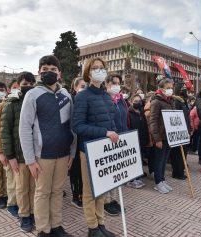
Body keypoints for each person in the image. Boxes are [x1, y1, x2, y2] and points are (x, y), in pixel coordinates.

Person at [19, 55, 76, 237]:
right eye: (45, 69)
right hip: (42, 155)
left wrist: (72, 153)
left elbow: (72, 126)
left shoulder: (66, 95)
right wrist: (30, 160)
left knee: (57, 191)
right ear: (39, 72)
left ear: (59, 73)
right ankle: (43, 229)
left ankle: (56, 226)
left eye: (53, 69)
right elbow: (24, 128)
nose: (49, 72)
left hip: (63, 154)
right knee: (43, 192)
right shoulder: (32, 94)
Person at [73, 56, 117, 237]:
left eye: (102, 67)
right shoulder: (83, 96)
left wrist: (115, 136)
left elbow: (111, 122)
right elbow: (77, 126)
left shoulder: (107, 96)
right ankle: (92, 227)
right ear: (88, 73)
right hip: (90, 150)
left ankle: (101, 223)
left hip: (105, 150)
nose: (99, 70)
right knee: (91, 191)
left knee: (103, 188)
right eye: (95, 68)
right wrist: (104, 133)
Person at [1, 71, 36, 232]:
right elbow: (5, 132)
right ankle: (24, 215)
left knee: (35, 187)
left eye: (31, 84)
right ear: (17, 85)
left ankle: (33, 213)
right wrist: (10, 156)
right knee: (22, 187)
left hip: (36, 154)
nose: (28, 87)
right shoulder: (11, 104)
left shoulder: (37, 101)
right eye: (24, 84)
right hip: (19, 155)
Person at [0, 79, 21, 217]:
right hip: (9, 150)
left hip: (23, 151)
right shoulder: (3, 106)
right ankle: (12, 204)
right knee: (12, 179)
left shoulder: (27, 103)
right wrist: (1, 152)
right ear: (9, 89)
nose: (18, 89)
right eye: (15, 87)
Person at [103, 73, 129, 216]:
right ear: (106, 84)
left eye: (118, 83)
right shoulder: (104, 99)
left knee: (117, 172)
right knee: (109, 172)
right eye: (113, 83)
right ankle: (106, 201)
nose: (116, 86)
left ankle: (113, 199)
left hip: (121, 140)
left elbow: (125, 120)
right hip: (109, 140)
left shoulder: (120, 101)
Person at [150, 79, 174, 193]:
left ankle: (162, 180)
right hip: (161, 136)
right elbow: (153, 121)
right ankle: (158, 182)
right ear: (161, 89)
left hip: (169, 136)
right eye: (168, 88)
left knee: (164, 159)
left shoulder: (170, 101)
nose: (170, 90)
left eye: (171, 87)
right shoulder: (156, 102)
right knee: (159, 160)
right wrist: (157, 138)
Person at [69, 77, 85, 210]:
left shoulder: (88, 101)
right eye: (82, 86)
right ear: (75, 88)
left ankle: (83, 194)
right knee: (75, 171)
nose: (84, 89)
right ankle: (76, 196)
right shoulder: (71, 101)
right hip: (74, 141)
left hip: (85, 141)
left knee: (83, 172)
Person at [169, 82, 191, 180]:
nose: (185, 89)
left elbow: (187, 117)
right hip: (178, 131)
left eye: (185, 87)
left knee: (184, 152)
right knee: (178, 153)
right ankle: (177, 172)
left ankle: (181, 170)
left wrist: (189, 130)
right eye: (182, 88)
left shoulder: (184, 101)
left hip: (185, 130)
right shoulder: (176, 101)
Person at [127, 94, 149, 188]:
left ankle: (136, 178)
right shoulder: (128, 113)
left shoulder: (141, 113)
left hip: (141, 140)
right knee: (132, 161)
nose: (137, 103)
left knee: (139, 160)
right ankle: (131, 180)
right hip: (132, 141)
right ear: (131, 102)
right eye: (135, 101)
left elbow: (145, 127)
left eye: (139, 101)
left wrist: (146, 139)